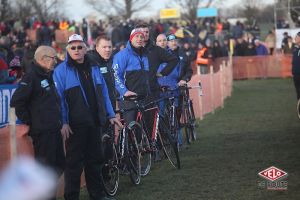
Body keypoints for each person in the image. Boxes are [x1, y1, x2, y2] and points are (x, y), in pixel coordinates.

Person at [53, 34, 120, 200]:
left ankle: (97, 195)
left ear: (85, 48)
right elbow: (59, 99)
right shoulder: (61, 71)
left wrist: (111, 114)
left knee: (95, 161)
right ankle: (71, 197)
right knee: (74, 164)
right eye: (73, 47)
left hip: (95, 122)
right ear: (67, 50)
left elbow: (104, 93)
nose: (76, 50)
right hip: (75, 126)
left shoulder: (94, 66)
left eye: (79, 47)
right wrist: (64, 122)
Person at [10, 46, 65, 200]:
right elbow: (16, 102)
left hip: (54, 131)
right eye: (53, 58)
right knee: (46, 171)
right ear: (42, 58)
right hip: (43, 133)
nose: (56, 61)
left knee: (59, 166)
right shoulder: (31, 77)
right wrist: (32, 123)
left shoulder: (47, 75)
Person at [113, 29, 149, 123]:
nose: (139, 39)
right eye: (136, 36)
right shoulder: (122, 55)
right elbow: (115, 75)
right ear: (131, 39)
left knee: (144, 132)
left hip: (143, 98)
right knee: (131, 132)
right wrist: (124, 91)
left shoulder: (145, 54)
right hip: (128, 100)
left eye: (141, 37)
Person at [88, 36, 117, 109]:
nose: (107, 50)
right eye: (104, 47)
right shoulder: (90, 63)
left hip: (112, 105)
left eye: (109, 47)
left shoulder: (113, 60)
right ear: (97, 48)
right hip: (98, 107)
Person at [292, 32, 300, 100]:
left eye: (297, 37)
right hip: (296, 74)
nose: (295, 38)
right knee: (298, 92)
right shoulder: (295, 48)